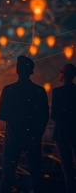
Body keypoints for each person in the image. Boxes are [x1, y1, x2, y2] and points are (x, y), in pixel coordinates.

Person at [0, 55, 49, 193]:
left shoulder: (8, 90)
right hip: (32, 138)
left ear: (17, 70)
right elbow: (44, 116)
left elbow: (1, 115)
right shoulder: (39, 91)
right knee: (36, 176)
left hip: (13, 138)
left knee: (7, 177)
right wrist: (37, 133)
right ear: (31, 71)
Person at [51, 63, 76, 193]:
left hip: (61, 133)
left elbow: (54, 115)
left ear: (63, 75)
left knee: (67, 169)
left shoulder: (57, 92)